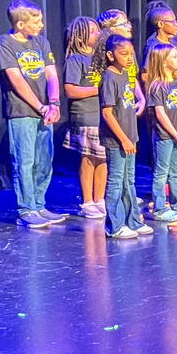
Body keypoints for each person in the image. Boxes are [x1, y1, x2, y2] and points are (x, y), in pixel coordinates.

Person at [0, 0, 64, 229]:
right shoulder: (5, 43)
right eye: (37, 21)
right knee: (25, 161)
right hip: (22, 111)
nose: (42, 25)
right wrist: (40, 106)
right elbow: (16, 80)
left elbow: (52, 75)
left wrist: (54, 103)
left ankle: (39, 204)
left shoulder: (41, 42)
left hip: (46, 111)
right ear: (21, 24)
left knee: (44, 161)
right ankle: (26, 209)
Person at [99, 33, 149, 238]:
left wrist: (132, 137)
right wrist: (124, 138)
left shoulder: (124, 75)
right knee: (116, 181)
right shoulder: (109, 77)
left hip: (130, 137)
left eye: (131, 54)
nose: (130, 58)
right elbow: (107, 113)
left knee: (129, 181)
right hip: (117, 140)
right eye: (124, 54)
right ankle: (115, 225)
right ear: (111, 55)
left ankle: (133, 221)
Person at [62, 16, 106, 219]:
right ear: (80, 37)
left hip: (103, 116)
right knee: (88, 158)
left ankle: (100, 199)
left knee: (103, 159)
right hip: (85, 116)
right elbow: (70, 90)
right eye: (93, 30)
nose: (98, 33)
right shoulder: (75, 60)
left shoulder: (101, 58)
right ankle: (87, 201)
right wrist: (98, 89)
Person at [144, 43, 177, 222]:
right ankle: (159, 208)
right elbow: (160, 113)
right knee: (161, 172)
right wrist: (174, 133)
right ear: (163, 62)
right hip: (165, 136)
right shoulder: (157, 86)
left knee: (175, 173)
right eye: (174, 56)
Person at [141, 3, 177, 78]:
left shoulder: (174, 43)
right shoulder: (153, 46)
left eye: (176, 21)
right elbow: (144, 76)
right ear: (161, 24)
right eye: (172, 22)